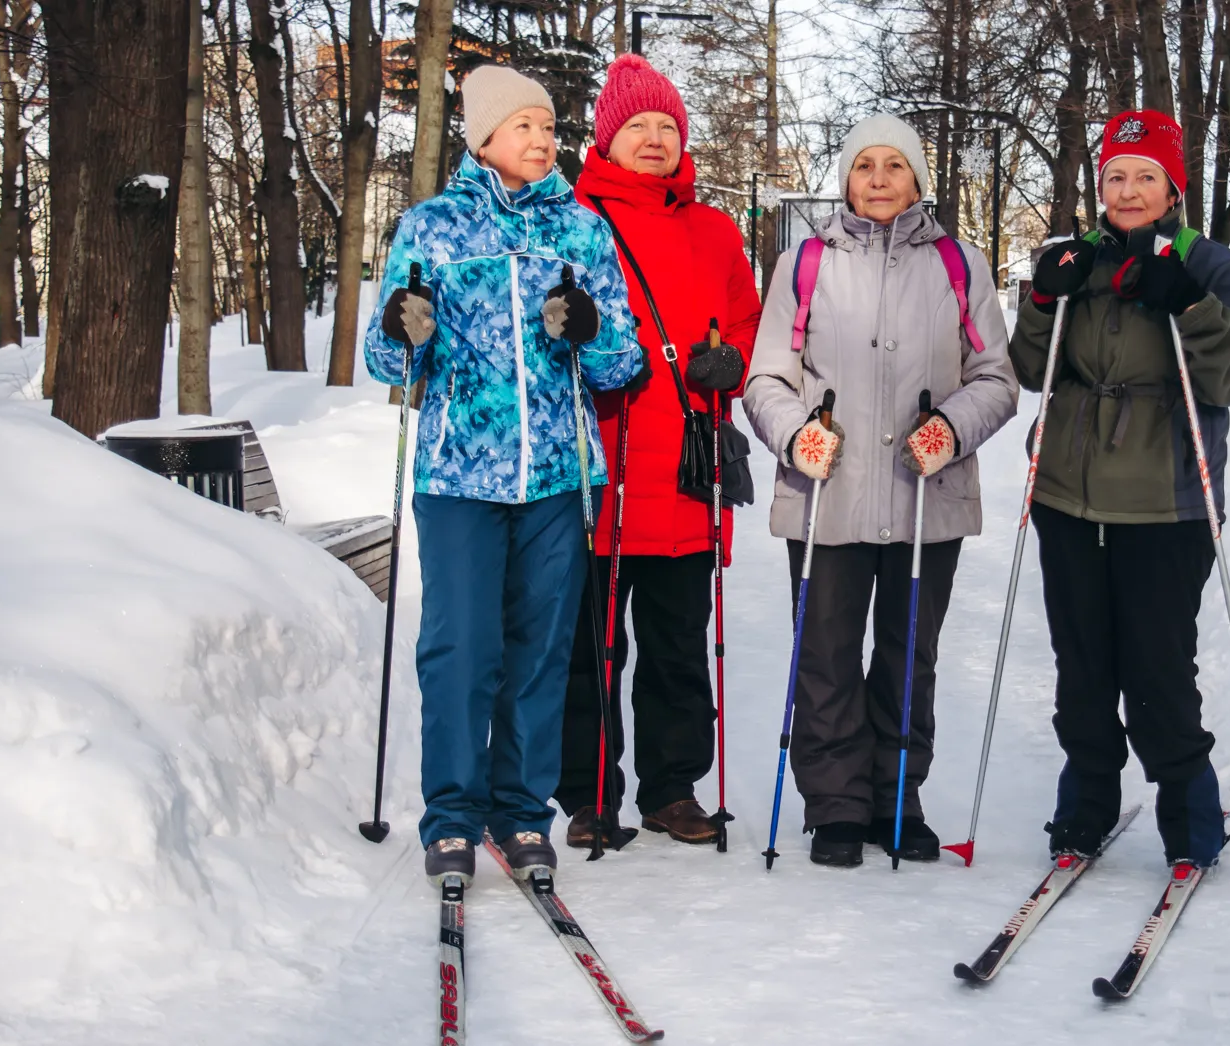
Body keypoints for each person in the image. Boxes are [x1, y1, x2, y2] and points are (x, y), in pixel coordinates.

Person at [363, 65, 643, 882]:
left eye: (548, 126)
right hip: (457, 475)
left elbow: (621, 362)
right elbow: (388, 360)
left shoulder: (581, 230)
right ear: (483, 137)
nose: (542, 139)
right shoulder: (431, 227)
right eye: (523, 125)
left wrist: (589, 330)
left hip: (558, 474)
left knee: (541, 650)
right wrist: (402, 329)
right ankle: (451, 816)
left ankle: (521, 813)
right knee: (460, 647)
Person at [744, 114, 1019, 867]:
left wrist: (951, 429)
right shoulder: (805, 264)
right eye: (864, 165)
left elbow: (995, 378)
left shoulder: (959, 264)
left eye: (894, 165)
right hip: (827, 493)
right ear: (845, 178)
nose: (877, 179)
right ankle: (836, 805)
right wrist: (796, 433)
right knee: (825, 654)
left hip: (925, 496)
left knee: (908, 654)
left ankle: (896, 796)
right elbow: (765, 378)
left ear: (918, 178)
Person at [1008, 110, 1230, 870]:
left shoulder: (1213, 267)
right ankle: (1085, 803)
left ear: (1172, 188)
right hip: (1067, 495)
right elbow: (1031, 370)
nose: (1127, 191)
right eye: (1115, 176)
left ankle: (1190, 814)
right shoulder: (1074, 260)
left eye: (1145, 177)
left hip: (1168, 502)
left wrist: (1187, 302)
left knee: (1158, 670)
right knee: (1082, 666)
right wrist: (1042, 301)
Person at [553, 54, 764, 849]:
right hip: (599, 466)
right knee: (591, 647)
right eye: (636, 125)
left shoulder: (715, 230)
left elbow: (746, 322)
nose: (653, 138)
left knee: (678, 642)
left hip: (685, 471)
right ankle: (587, 793)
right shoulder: (574, 223)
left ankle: (672, 788)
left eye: (665, 126)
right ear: (606, 140)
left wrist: (733, 362)